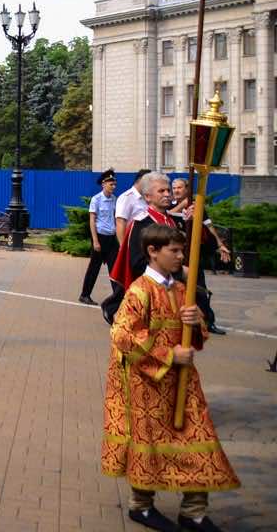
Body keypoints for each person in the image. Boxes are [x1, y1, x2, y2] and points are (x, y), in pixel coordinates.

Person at [101, 224, 239, 532]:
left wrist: (196, 321)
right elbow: (122, 336)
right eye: (174, 251)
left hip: (183, 382)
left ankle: (194, 511)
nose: (180, 257)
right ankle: (141, 505)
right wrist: (168, 355)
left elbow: (198, 335)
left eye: (182, 251)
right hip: (146, 384)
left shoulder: (181, 291)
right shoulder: (139, 291)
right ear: (153, 251)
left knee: (199, 437)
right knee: (148, 443)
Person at [104, 171, 177, 325]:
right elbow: (137, 264)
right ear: (148, 197)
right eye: (161, 191)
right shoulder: (142, 224)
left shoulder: (172, 221)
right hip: (149, 292)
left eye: (168, 190)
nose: (167, 194)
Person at [169, 178, 228, 336]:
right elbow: (168, 215)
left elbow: (209, 226)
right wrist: (183, 205)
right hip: (174, 257)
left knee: (200, 289)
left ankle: (208, 322)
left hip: (193, 255)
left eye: (179, 187)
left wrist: (219, 244)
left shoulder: (197, 206)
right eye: (174, 188)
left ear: (187, 189)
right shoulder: (170, 206)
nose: (176, 191)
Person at [80, 170, 118, 305]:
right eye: (111, 184)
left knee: (114, 268)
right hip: (100, 237)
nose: (113, 187)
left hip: (112, 238)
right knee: (94, 268)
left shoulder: (114, 199)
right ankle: (85, 295)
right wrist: (95, 241)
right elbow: (92, 221)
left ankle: (118, 297)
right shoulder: (96, 199)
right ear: (103, 184)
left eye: (114, 184)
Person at [115, 168, 150, 244]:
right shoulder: (126, 197)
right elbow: (120, 222)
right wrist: (123, 246)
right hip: (132, 242)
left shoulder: (146, 197)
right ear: (140, 180)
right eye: (149, 182)